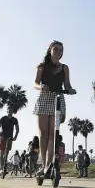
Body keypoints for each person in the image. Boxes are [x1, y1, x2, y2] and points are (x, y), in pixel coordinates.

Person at [32, 41, 76, 177]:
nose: (58, 52)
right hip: (44, 98)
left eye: (60, 50)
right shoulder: (42, 66)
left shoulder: (65, 68)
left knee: (53, 134)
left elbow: (67, 84)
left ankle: (50, 165)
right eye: (55, 49)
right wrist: (41, 87)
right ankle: (43, 165)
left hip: (58, 98)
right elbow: (35, 83)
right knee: (43, 134)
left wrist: (70, 90)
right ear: (50, 50)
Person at [0, 107, 19, 177]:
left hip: (10, 138)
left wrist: (15, 136)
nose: (10, 111)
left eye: (11, 110)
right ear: (7, 111)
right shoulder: (3, 118)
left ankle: (4, 166)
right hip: (3, 137)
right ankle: (1, 167)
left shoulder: (14, 119)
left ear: (13, 112)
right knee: (2, 152)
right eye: (9, 110)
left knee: (6, 153)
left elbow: (17, 128)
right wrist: (0, 135)